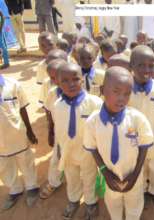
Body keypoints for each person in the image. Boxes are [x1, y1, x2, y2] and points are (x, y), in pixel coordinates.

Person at [83, 66, 154, 220]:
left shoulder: (137, 118)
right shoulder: (93, 122)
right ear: (102, 90)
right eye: (116, 91)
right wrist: (105, 172)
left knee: (134, 205)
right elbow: (93, 149)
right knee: (113, 204)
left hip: (133, 175)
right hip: (109, 175)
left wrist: (135, 175)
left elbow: (144, 147)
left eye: (127, 93)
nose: (122, 98)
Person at [49, 62, 102, 219]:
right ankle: (73, 200)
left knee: (89, 177)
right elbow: (59, 130)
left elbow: (101, 129)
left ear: (82, 79)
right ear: (57, 82)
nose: (71, 84)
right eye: (65, 80)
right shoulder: (57, 105)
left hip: (88, 152)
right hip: (68, 150)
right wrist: (59, 150)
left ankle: (91, 202)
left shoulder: (95, 103)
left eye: (75, 79)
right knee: (71, 177)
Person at [128, 45, 154, 209]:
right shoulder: (126, 88)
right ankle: (142, 191)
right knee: (138, 167)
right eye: (141, 65)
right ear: (131, 67)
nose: (146, 69)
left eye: (151, 65)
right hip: (132, 141)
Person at [0, 73, 39, 211]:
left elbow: (22, 107)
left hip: (17, 133)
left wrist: (29, 130)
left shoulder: (13, 84)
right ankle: (15, 189)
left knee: (25, 160)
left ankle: (32, 186)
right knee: (4, 165)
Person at [38, 59, 67, 199]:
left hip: (81, 134)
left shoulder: (81, 90)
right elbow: (49, 112)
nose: (56, 80)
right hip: (60, 134)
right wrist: (50, 131)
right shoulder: (52, 93)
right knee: (56, 158)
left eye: (59, 76)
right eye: (52, 77)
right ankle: (54, 182)